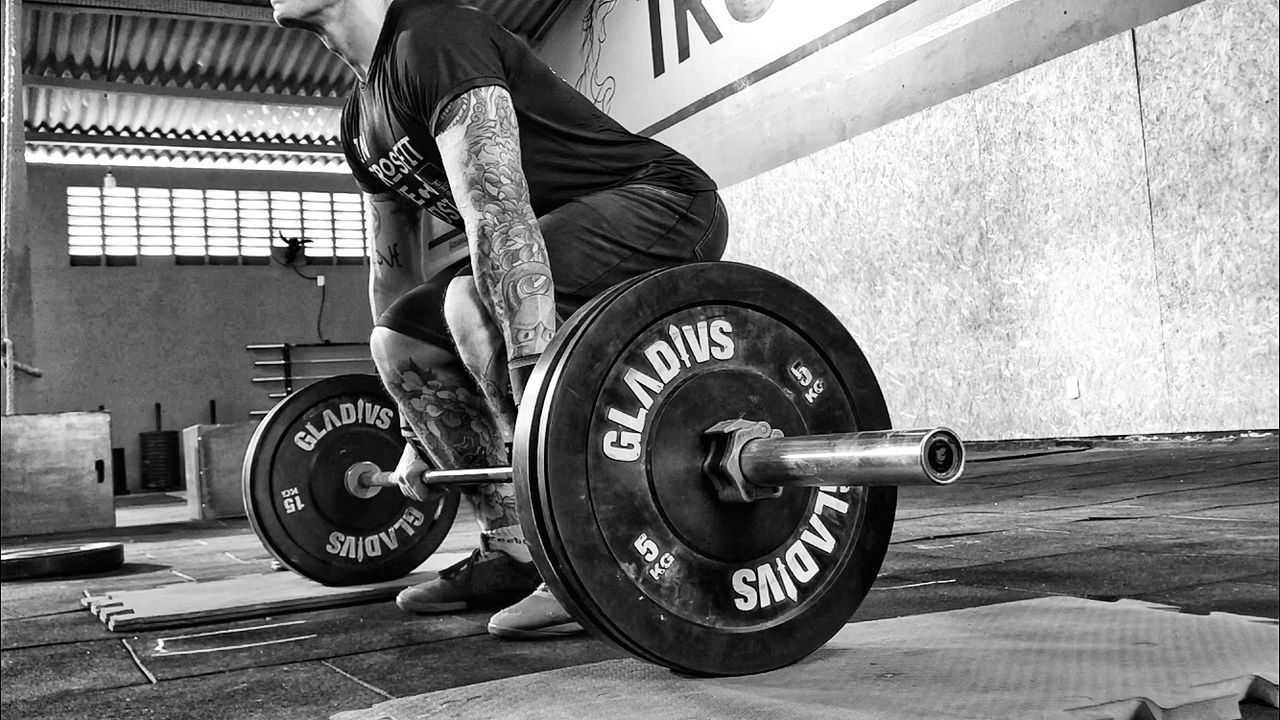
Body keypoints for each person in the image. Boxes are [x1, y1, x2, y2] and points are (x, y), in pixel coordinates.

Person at [270, 0, 729, 638]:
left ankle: (578, 553)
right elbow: (392, 272)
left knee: (475, 298)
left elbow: (498, 209)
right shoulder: (358, 120)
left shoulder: (432, 38)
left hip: (660, 203)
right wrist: (414, 433)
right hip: (548, 235)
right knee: (401, 338)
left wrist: (535, 401)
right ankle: (514, 546)